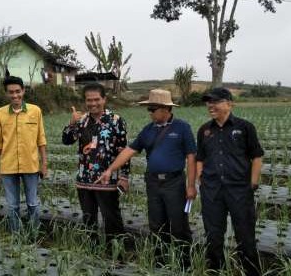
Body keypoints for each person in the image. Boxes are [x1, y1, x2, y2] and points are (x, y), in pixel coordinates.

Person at [97, 89, 197, 267]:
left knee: (179, 225)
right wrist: (110, 169)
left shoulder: (182, 127)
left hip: (175, 182)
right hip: (153, 183)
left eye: (152, 109)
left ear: (166, 109)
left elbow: (191, 157)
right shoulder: (148, 130)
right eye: (148, 109)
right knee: (157, 224)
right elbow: (129, 151)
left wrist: (191, 185)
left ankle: (184, 265)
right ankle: (160, 263)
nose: (149, 113)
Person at [196, 87, 263, 275]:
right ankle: (217, 270)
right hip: (212, 191)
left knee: (245, 235)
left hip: (239, 191)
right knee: (213, 235)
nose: (210, 105)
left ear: (229, 103)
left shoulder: (244, 127)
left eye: (215, 101)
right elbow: (200, 157)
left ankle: (250, 271)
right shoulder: (204, 130)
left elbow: (256, 156)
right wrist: (201, 180)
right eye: (208, 101)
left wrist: (252, 183)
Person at [62, 83, 129, 245]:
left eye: (96, 99)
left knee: (112, 218)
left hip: (107, 180)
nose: (92, 103)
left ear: (104, 99)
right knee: (88, 219)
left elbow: (124, 150)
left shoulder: (116, 120)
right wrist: (71, 124)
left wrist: (124, 176)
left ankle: (115, 253)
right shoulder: (82, 121)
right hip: (84, 180)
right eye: (89, 100)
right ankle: (93, 252)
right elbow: (67, 141)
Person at [0, 76, 47, 234]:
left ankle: (34, 235)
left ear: (23, 91)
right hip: (8, 166)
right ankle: (16, 236)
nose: (15, 95)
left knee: (32, 203)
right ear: (6, 94)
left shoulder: (35, 111)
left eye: (17, 91)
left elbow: (41, 139)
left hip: (31, 165)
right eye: (11, 92)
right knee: (12, 205)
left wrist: (44, 164)